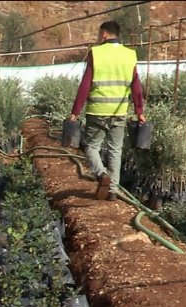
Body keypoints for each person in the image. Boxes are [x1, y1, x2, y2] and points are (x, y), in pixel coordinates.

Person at [68, 20, 146, 202]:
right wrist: (139, 110)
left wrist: (75, 111)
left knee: (90, 146)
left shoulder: (96, 53)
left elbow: (85, 84)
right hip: (120, 110)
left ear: (104, 34)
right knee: (115, 150)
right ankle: (112, 191)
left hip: (97, 109)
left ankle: (101, 174)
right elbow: (136, 85)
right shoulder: (129, 55)